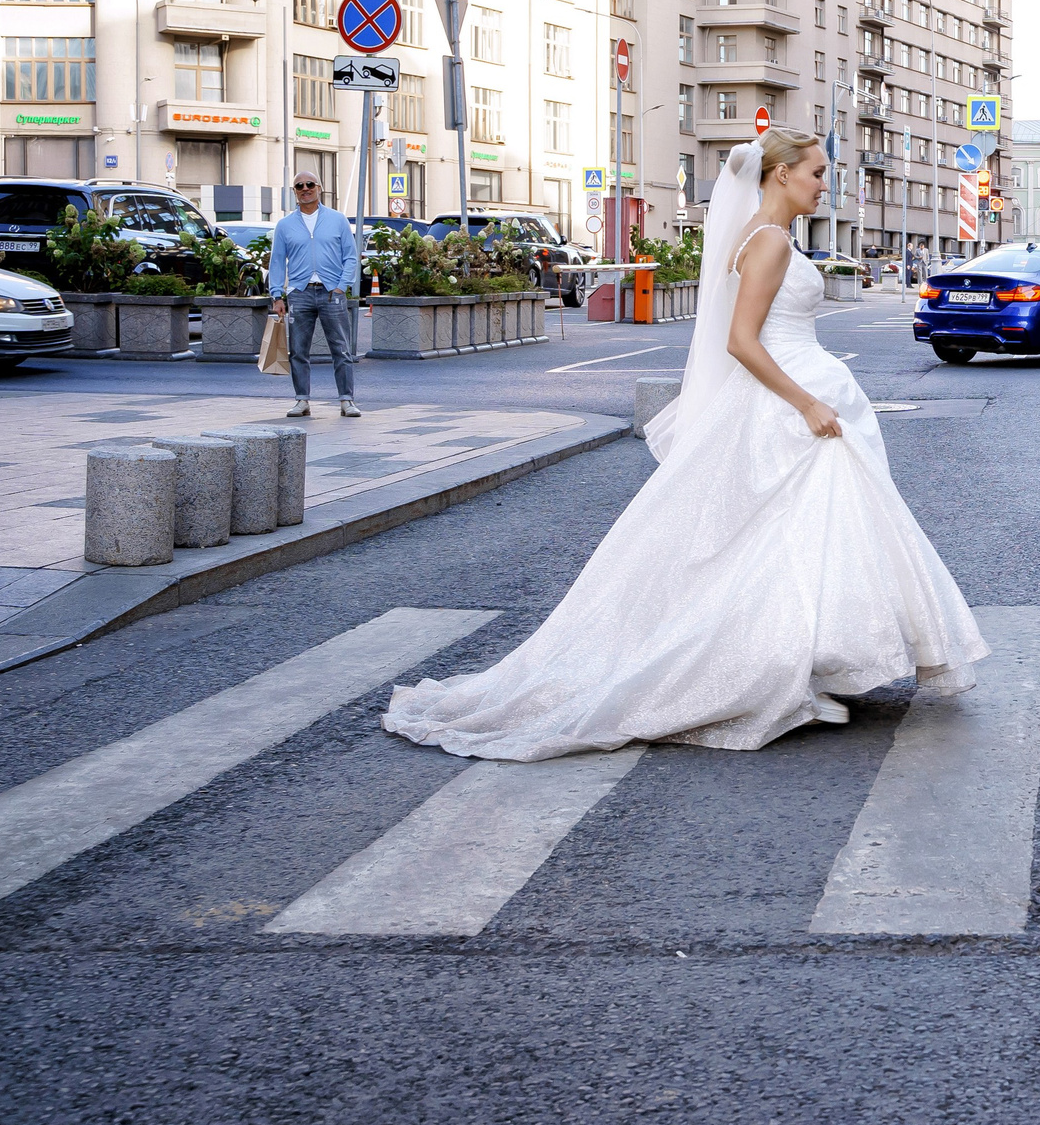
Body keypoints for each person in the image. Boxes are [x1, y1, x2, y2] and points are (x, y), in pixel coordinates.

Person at [383, 131, 988, 759]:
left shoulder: (759, 234)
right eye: (815, 173)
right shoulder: (771, 242)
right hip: (788, 403)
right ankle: (782, 666)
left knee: (787, 536)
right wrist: (806, 402)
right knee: (788, 536)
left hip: (787, 397)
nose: (823, 185)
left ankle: (801, 661)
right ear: (781, 174)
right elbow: (742, 341)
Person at [268, 172, 361, 419]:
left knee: (341, 349)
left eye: (310, 184)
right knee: (298, 350)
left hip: (332, 292)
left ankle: (347, 400)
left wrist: (341, 286)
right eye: (299, 186)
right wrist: (277, 295)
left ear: (319, 188)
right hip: (299, 293)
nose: (305, 189)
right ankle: (302, 400)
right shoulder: (285, 225)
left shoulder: (337, 219)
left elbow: (350, 256)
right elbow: (277, 261)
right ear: (294, 192)